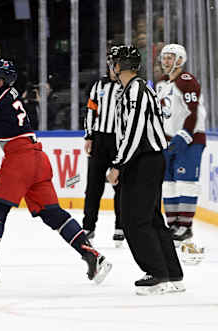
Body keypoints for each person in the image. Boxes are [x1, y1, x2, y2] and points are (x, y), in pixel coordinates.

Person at [0, 59, 112, 288]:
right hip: (36, 156)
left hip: (20, 158)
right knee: (52, 213)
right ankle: (92, 255)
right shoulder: (5, 94)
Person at [106, 45, 184, 295]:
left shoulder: (136, 91)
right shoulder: (132, 90)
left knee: (134, 220)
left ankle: (157, 273)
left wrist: (118, 164)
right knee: (150, 218)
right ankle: (172, 273)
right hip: (145, 160)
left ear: (119, 66)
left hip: (143, 161)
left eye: (114, 62)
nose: (112, 67)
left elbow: (134, 133)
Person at [155, 44, 206, 261]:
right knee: (169, 184)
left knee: (186, 182)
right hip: (168, 141)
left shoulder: (186, 80)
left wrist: (184, 136)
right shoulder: (162, 85)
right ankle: (173, 224)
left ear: (180, 60)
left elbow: (193, 112)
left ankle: (185, 227)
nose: (166, 61)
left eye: (170, 58)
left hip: (189, 139)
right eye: (164, 57)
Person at [82, 53, 124, 247]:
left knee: (121, 186)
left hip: (119, 141)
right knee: (93, 186)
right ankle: (88, 226)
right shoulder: (99, 85)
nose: (114, 68)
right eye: (112, 64)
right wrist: (89, 136)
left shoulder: (130, 87)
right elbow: (91, 111)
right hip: (99, 140)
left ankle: (120, 226)